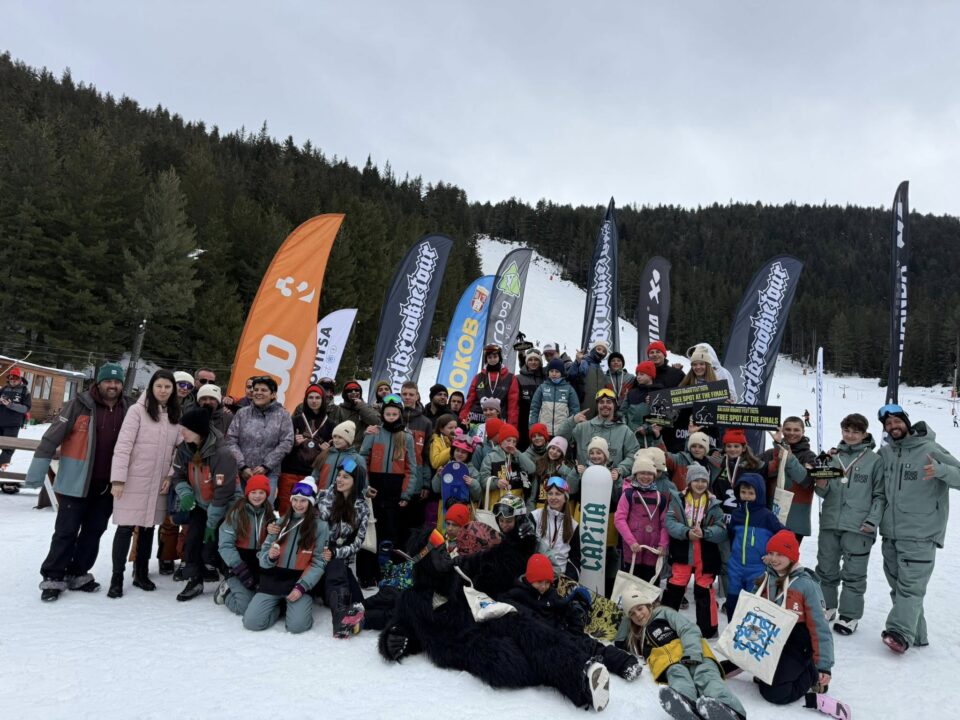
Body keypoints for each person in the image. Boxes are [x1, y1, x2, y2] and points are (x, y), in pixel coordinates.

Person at [26, 362, 130, 601]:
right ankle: (53, 576)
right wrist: (36, 474)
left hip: (108, 485)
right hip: (77, 481)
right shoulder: (78, 405)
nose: (112, 386)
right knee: (66, 531)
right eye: (108, 381)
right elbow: (51, 437)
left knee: (94, 531)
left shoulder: (129, 408)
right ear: (99, 382)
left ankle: (78, 572)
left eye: (117, 382)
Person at [876, 404, 960, 653]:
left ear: (906, 421)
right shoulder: (886, 453)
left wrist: (942, 471)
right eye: (888, 424)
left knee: (910, 588)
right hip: (890, 533)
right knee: (899, 587)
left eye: (897, 421)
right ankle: (917, 635)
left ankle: (899, 633)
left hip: (921, 533)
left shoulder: (929, 449)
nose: (893, 426)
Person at [107, 369, 183, 599]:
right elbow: (123, 446)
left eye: (167, 387)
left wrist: (170, 476)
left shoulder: (175, 415)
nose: (163, 390)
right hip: (133, 480)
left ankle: (141, 573)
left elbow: (179, 450)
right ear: (151, 388)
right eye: (159, 386)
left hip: (159, 482)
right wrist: (118, 479)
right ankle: (117, 577)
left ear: (173, 390)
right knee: (125, 528)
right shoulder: (137, 411)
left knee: (149, 528)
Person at [618, 587, 746, 720]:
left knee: (706, 676)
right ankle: (687, 706)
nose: (638, 615)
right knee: (678, 677)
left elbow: (688, 629)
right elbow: (619, 642)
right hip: (671, 664)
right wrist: (626, 616)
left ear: (648, 605)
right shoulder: (639, 636)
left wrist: (692, 652)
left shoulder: (664, 613)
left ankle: (730, 710)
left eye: (640, 608)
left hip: (694, 653)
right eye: (632, 614)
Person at [814, 413, 884, 636]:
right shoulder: (832, 457)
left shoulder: (874, 460)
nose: (850, 435)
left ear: (864, 434)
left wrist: (872, 520)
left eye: (856, 432)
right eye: (847, 431)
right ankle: (827, 606)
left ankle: (849, 615)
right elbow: (822, 492)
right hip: (830, 522)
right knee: (826, 568)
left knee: (854, 573)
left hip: (859, 526)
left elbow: (880, 495)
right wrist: (821, 483)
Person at [756, 531, 839, 713]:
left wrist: (823, 666)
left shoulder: (806, 585)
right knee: (758, 677)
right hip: (772, 640)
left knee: (776, 693)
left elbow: (820, 628)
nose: (774, 558)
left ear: (792, 556)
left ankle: (810, 673)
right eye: (771, 553)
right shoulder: (767, 578)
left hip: (797, 644)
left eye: (780, 554)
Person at [243, 478, 330, 634]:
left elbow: (318, 562)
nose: (298, 504)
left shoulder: (320, 527)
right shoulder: (279, 523)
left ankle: (293, 608)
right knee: (252, 623)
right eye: (295, 500)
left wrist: (302, 587)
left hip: (298, 582)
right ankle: (280, 607)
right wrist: (270, 557)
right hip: (273, 580)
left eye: (303, 500)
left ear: (311, 502)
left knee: (297, 626)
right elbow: (263, 558)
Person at [171, 407, 239, 601]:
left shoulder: (222, 453)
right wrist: (185, 492)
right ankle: (195, 579)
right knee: (193, 539)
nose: (182, 433)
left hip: (225, 506)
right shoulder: (184, 448)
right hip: (201, 504)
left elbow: (223, 492)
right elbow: (178, 475)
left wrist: (211, 523)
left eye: (186, 429)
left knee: (218, 543)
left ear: (198, 431)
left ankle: (231, 578)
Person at [662, 465, 725, 638]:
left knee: (704, 589)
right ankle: (664, 625)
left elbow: (722, 529)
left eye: (703, 480)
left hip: (706, 554)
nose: (700, 484)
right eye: (696, 480)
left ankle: (708, 630)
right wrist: (685, 532)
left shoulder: (714, 504)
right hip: (683, 550)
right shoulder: (678, 500)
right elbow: (670, 522)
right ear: (689, 482)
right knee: (675, 587)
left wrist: (706, 532)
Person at [315, 457, 369, 637]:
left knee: (359, 601)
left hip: (338, 557)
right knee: (337, 572)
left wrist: (336, 552)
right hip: (316, 553)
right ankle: (340, 619)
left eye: (346, 477)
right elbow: (310, 524)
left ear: (356, 481)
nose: (339, 479)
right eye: (339, 475)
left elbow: (357, 543)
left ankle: (353, 618)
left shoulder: (362, 508)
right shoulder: (324, 496)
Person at [361, 394, 419, 552]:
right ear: (383, 414)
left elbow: (411, 468)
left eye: (394, 414)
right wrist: (365, 486)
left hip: (395, 492)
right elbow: (362, 461)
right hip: (374, 490)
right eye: (388, 414)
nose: (391, 417)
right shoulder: (374, 433)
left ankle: (389, 561)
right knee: (372, 529)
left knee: (392, 530)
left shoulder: (406, 437)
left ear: (400, 414)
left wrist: (406, 494)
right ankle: (369, 564)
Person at [725, 473, 784, 620]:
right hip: (736, 567)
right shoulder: (736, 514)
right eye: (743, 492)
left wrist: (772, 555)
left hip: (758, 569)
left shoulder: (767, 516)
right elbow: (731, 536)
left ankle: (748, 632)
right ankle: (732, 629)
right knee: (732, 602)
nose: (746, 496)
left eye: (751, 493)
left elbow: (783, 535)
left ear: (759, 494)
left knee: (752, 606)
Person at [224, 375, 294, 500]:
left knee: (265, 507)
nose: (258, 393)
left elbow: (287, 442)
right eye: (256, 390)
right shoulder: (242, 413)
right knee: (240, 507)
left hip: (269, 473)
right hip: (242, 473)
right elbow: (231, 440)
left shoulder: (283, 415)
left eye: (263, 390)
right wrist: (242, 466)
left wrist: (266, 466)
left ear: (273, 394)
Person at [214, 474, 273, 615]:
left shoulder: (269, 514)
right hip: (237, 564)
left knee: (263, 601)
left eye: (261, 492)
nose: (257, 496)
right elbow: (225, 545)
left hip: (258, 564)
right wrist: (239, 568)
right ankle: (226, 592)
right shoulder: (236, 514)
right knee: (244, 607)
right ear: (247, 493)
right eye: (253, 492)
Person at [555, 388, 640, 481]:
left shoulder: (624, 430)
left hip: (612, 484)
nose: (605, 405)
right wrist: (572, 421)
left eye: (609, 402)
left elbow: (633, 454)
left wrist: (620, 470)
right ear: (597, 405)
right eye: (601, 402)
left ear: (614, 405)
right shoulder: (583, 428)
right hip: (584, 482)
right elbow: (560, 437)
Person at [278, 383, 332, 514]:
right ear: (305, 400)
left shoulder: (331, 424)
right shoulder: (295, 420)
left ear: (323, 400)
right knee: (286, 507)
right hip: (291, 471)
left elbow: (335, 450)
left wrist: (327, 451)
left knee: (308, 512)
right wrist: (293, 443)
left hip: (313, 474)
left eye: (317, 398)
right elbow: (282, 444)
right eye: (310, 397)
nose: (314, 401)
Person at [760, 416, 815, 542]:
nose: (792, 433)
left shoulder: (809, 456)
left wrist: (789, 458)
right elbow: (752, 466)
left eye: (796, 430)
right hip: (770, 517)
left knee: (786, 555)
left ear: (803, 431)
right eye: (788, 429)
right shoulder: (770, 453)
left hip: (794, 522)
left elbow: (806, 481)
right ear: (782, 430)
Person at [615, 456, 669, 581]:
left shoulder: (660, 497)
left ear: (654, 476)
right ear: (635, 475)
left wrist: (663, 544)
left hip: (653, 549)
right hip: (632, 548)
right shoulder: (628, 494)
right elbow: (619, 519)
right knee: (631, 583)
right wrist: (631, 541)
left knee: (649, 584)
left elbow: (665, 523)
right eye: (642, 473)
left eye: (649, 474)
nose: (646, 477)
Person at [460, 343, 520, 427]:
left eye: (495, 357)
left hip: (499, 421)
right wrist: (463, 417)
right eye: (489, 357)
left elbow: (513, 405)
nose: (492, 360)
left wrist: (511, 425)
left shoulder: (510, 378)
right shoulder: (478, 377)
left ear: (499, 358)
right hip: (477, 421)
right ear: (486, 359)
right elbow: (470, 400)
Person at [531, 476, 580, 578]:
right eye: (550, 494)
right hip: (537, 575)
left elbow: (575, 558)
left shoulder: (573, 525)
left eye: (558, 494)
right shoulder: (535, 516)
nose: (553, 497)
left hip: (560, 576)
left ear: (565, 498)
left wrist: (568, 578)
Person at [479, 423, 536, 509]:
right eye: (508, 440)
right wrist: (496, 483)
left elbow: (531, 469)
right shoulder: (490, 457)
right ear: (501, 441)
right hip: (496, 505)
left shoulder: (518, 457)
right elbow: (483, 480)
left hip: (516, 505)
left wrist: (517, 453)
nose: (511, 444)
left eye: (514, 441)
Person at [528, 357, 580, 437]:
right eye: (551, 371)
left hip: (562, 431)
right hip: (543, 432)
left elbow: (575, 410)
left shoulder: (569, 389)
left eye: (557, 371)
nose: (554, 374)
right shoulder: (542, 388)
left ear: (562, 373)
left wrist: (572, 428)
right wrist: (532, 426)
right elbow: (534, 409)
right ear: (548, 372)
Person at [311, 420, 365, 491]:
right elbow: (314, 476)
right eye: (334, 437)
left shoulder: (355, 458)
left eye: (340, 437)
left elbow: (361, 483)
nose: (336, 440)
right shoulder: (326, 454)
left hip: (340, 497)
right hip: (321, 495)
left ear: (348, 439)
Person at [327, 379, 380, 446]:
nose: (354, 392)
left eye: (356, 390)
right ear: (345, 394)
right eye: (350, 391)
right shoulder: (338, 410)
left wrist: (361, 406)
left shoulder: (367, 408)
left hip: (361, 449)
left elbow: (377, 422)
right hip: (342, 448)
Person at [0, 366, 31, 470]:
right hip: (0, 421)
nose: (13, 380)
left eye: (15, 378)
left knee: (8, 447)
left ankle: (2, 465)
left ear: (19, 378)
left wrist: (10, 405)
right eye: (11, 378)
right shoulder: (4, 388)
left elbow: (26, 408)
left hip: (13, 424)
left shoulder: (25, 391)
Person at [568, 339, 610, 413]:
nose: (601, 352)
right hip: (583, 406)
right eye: (599, 349)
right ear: (593, 350)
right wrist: (577, 362)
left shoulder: (599, 368)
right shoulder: (585, 362)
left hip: (597, 408)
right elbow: (572, 375)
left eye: (604, 351)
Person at [516, 348, 546, 448]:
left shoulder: (546, 378)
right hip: (523, 420)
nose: (533, 362)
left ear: (540, 362)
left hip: (542, 418)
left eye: (536, 359)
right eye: (530, 359)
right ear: (526, 362)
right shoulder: (518, 378)